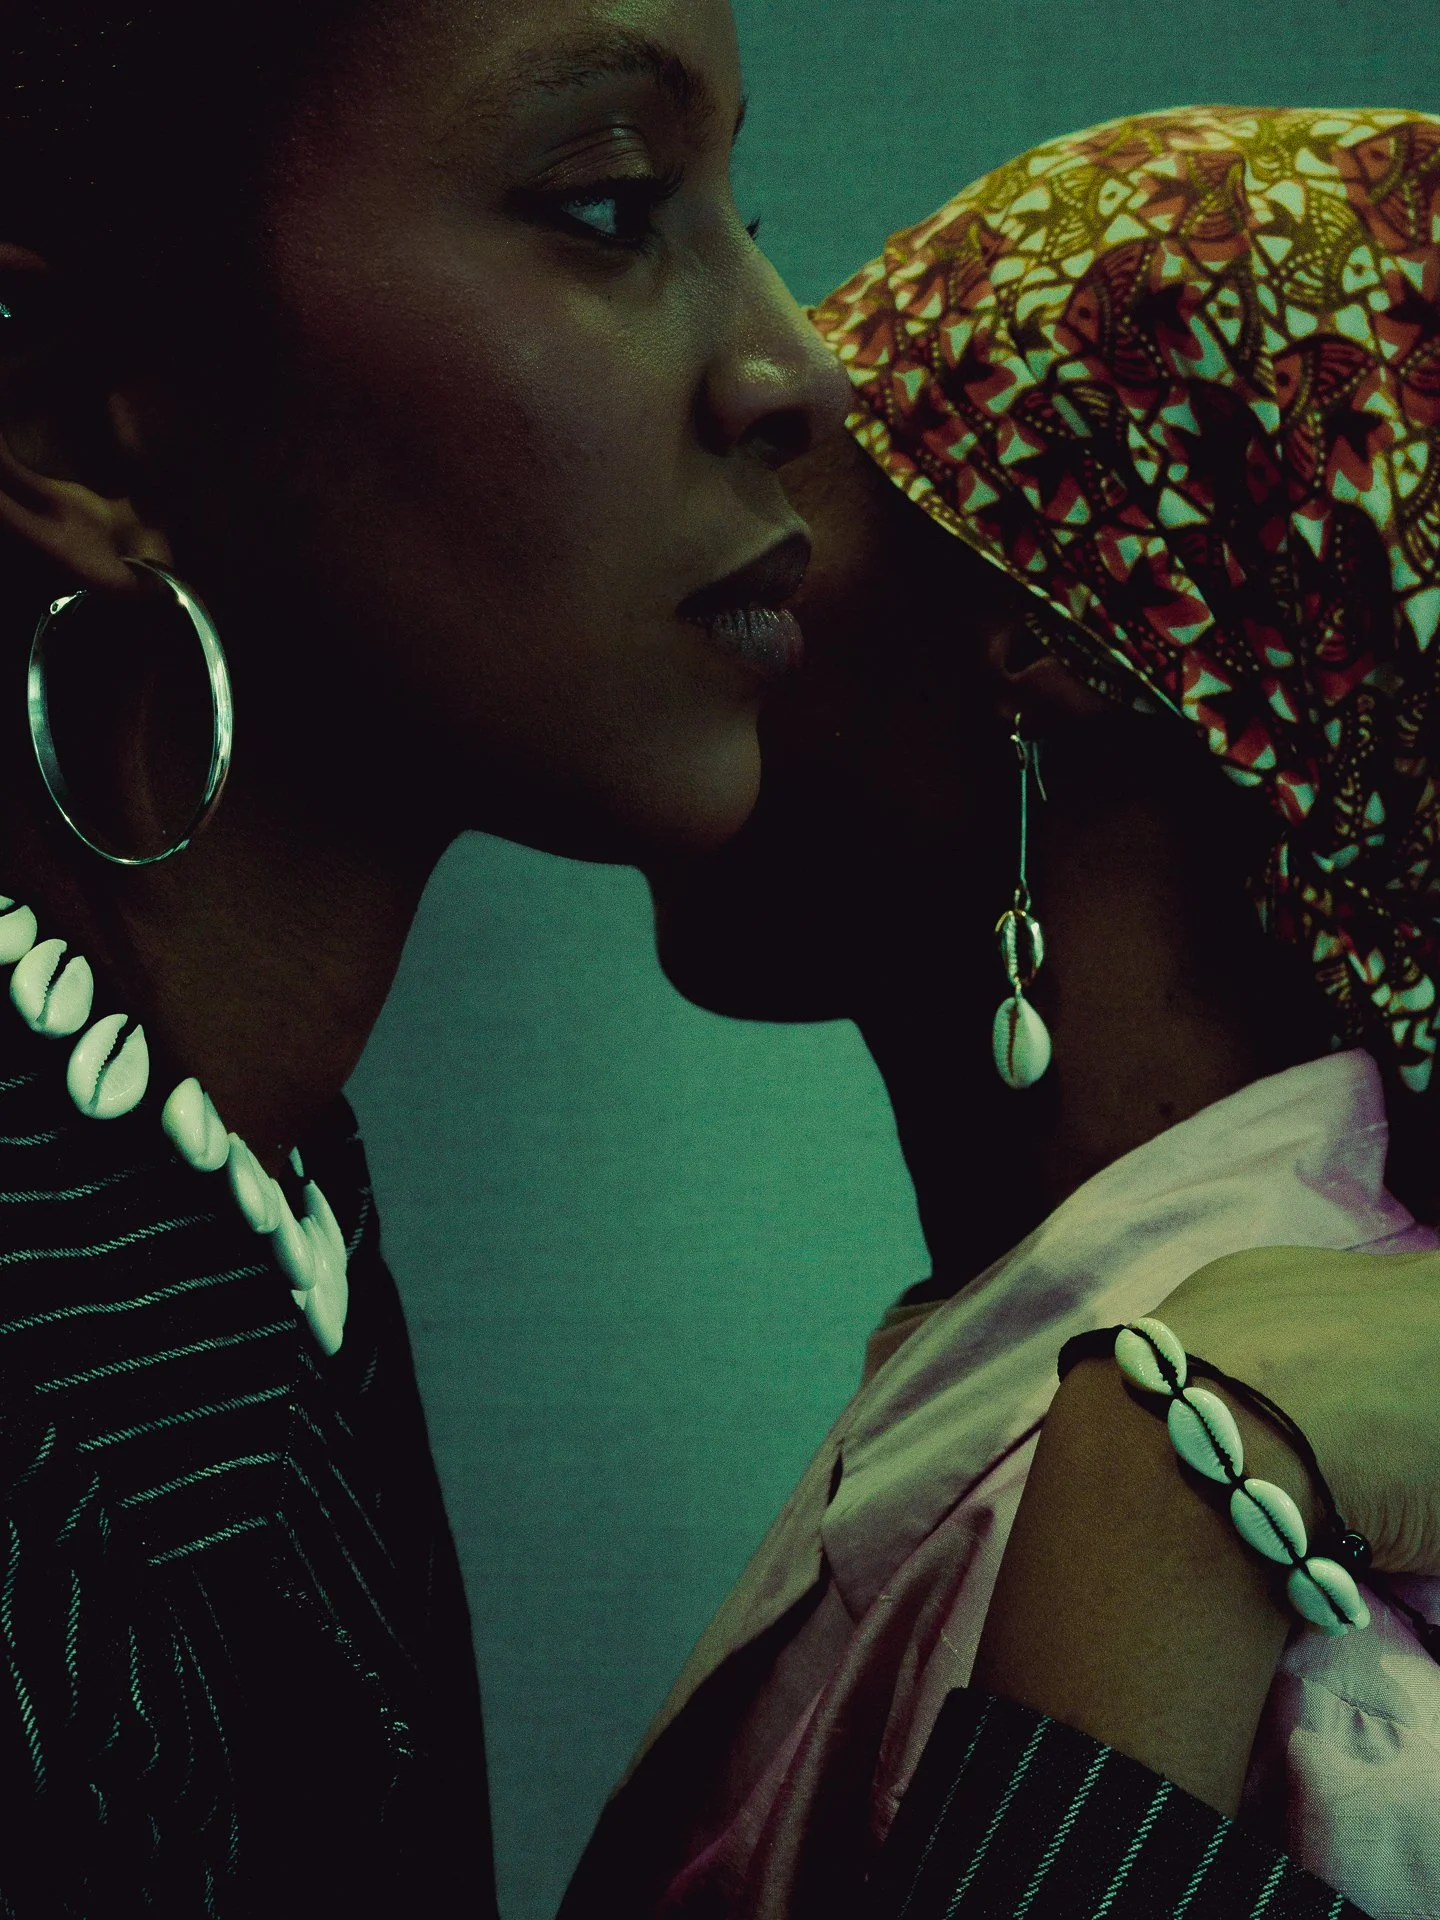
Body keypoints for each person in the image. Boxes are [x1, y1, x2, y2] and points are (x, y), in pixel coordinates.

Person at [0, 0, 844, 1910]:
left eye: (743, 206)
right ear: (71, 425)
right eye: (610, 206)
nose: (800, 373)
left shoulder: (244, 1160)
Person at [560, 106, 1440, 1918]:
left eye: (791, 508)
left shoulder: (1283, 1641)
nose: (704, 570)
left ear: (1061, 640)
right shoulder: (1055, 1390)